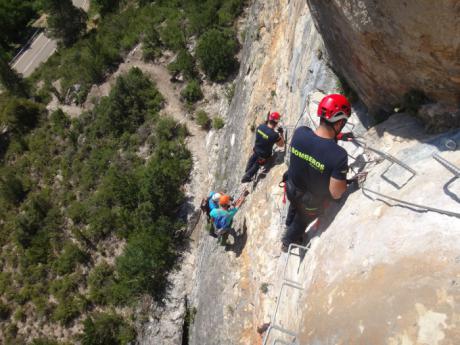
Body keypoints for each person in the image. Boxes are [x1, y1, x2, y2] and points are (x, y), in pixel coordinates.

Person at [281, 94, 355, 252]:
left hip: (291, 188)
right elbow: (336, 193)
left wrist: (338, 136)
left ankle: (287, 223)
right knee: (300, 221)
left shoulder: (301, 132)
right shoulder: (338, 156)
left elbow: (316, 145)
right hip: (309, 204)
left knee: (294, 205)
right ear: (340, 122)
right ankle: (287, 242)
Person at [241, 112, 285, 183]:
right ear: (276, 123)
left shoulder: (260, 127)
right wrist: (281, 133)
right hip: (264, 155)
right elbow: (281, 144)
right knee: (257, 164)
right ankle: (247, 176)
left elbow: (263, 135)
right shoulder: (274, 135)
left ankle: (247, 170)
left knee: (253, 158)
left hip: (256, 149)